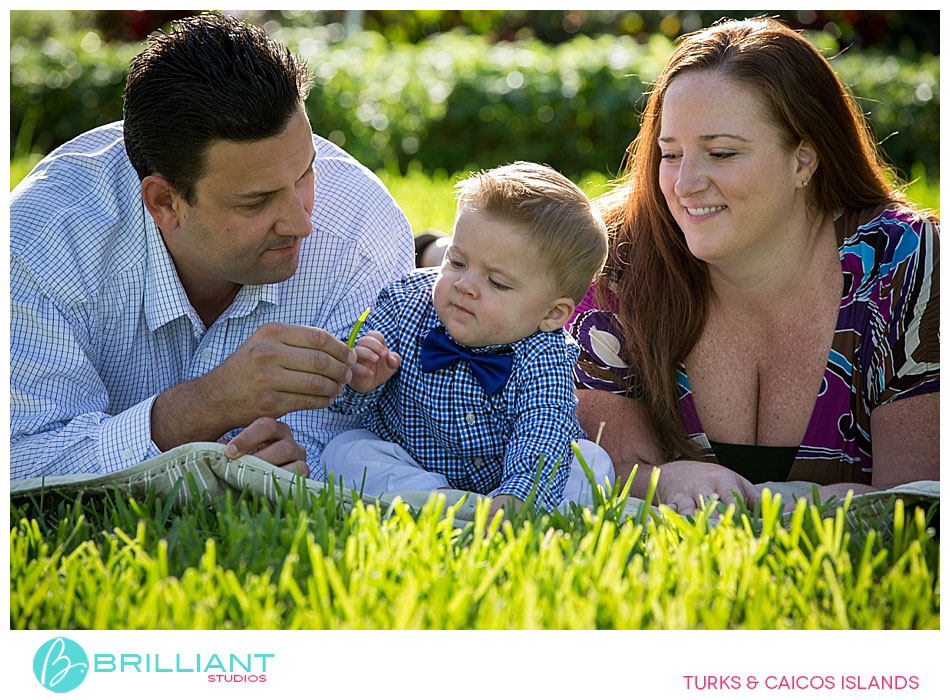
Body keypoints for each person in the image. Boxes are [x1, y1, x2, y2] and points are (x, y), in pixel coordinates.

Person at [10, 13, 414, 481]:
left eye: (305, 173)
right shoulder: (39, 243)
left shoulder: (362, 229)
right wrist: (207, 406)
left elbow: (363, 441)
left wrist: (293, 463)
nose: (303, 222)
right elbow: (20, 455)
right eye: (256, 201)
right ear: (165, 202)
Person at [569, 17, 939, 515]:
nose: (684, 184)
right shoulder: (617, 257)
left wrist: (763, 509)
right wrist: (660, 481)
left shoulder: (905, 260)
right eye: (671, 153)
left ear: (803, 161)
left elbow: (918, 500)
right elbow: (607, 472)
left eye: (721, 153)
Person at [322, 162, 614, 515]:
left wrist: (518, 494)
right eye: (457, 262)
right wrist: (360, 379)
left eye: (497, 283)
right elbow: (342, 398)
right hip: (415, 465)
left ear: (552, 315)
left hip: (507, 476)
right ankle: (443, 503)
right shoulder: (404, 304)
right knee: (346, 450)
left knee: (591, 461)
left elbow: (543, 427)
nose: (464, 286)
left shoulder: (545, 354)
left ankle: (513, 511)